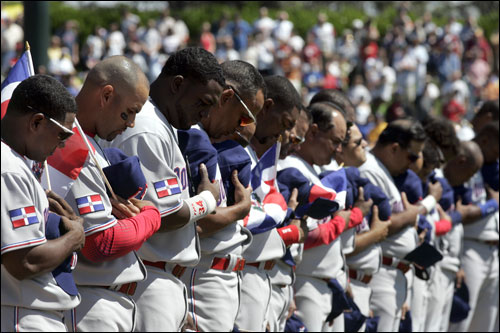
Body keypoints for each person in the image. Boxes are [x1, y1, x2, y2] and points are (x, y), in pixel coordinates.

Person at [101, 47, 223, 331]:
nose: (204, 115)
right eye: (202, 103)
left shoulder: (160, 124)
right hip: (149, 275)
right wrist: (207, 199)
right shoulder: (146, 128)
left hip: (163, 278)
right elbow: (161, 216)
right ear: (178, 84)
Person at [41, 56, 161, 331]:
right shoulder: (71, 145)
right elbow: (102, 243)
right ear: (107, 95)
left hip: (105, 297)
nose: (131, 123)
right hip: (90, 302)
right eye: (128, 112)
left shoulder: (87, 142)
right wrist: (151, 216)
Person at [179, 60, 266, 331]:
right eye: (243, 116)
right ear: (226, 97)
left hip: (225, 277)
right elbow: (197, 224)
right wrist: (240, 209)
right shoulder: (190, 137)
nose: (243, 128)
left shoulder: (218, 144)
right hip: (199, 276)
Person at [1, 74, 85, 331]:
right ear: (37, 122)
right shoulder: (9, 168)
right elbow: (25, 261)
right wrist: (74, 236)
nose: (62, 146)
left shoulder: (14, 162)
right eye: (62, 135)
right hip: (21, 314)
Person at [234, 75, 303, 332]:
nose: (285, 135)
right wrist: (285, 223)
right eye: (285, 124)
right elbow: (244, 218)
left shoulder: (254, 154)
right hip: (243, 272)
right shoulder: (236, 152)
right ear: (267, 107)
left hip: (265, 275)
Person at [357, 119, 426, 332]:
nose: (414, 163)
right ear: (394, 148)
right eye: (412, 156)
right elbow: (378, 224)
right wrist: (412, 214)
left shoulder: (385, 170)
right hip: (380, 273)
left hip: (393, 273)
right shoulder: (369, 169)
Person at [449, 123, 499, 332]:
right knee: (460, 323)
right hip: (470, 245)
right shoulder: (463, 162)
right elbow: (458, 214)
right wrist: (491, 205)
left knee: (485, 325)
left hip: (493, 252)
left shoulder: (485, 168)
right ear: (486, 140)